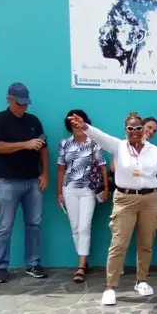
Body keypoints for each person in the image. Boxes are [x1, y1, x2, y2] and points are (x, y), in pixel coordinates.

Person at [68, 112, 157, 306]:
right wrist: (84, 126)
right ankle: (110, 287)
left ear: (142, 129)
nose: (134, 132)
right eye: (130, 128)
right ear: (125, 130)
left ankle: (141, 281)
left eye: (138, 128)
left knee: (146, 243)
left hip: (149, 200)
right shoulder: (119, 146)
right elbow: (99, 135)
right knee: (118, 243)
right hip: (125, 200)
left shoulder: (153, 151)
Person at [0, 82, 48, 283]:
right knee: (4, 226)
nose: (23, 107)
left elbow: (43, 149)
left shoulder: (33, 121)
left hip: (33, 181)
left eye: (25, 103)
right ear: (9, 99)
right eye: (19, 103)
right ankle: (0, 267)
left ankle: (33, 263)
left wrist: (44, 174)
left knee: (34, 224)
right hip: (8, 182)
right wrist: (25, 144)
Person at [57, 109, 109, 283]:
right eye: (72, 123)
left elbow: (103, 168)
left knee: (84, 226)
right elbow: (61, 169)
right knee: (75, 227)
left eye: (79, 122)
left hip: (88, 189)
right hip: (69, 189)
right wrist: (59, 192)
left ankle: (80, 266)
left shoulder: (94, 143)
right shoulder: (64, 144)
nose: (76, 126)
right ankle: (83, 259)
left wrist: (105, 189)